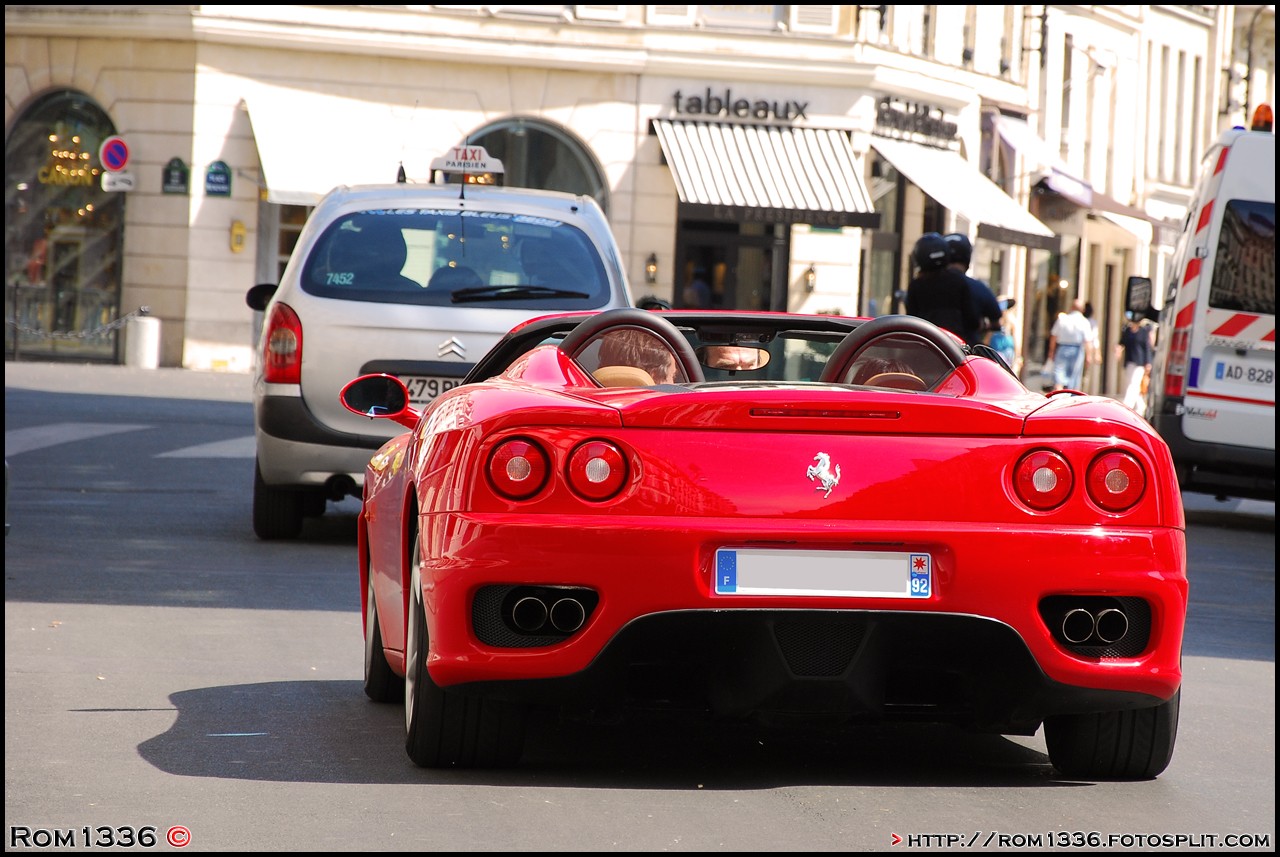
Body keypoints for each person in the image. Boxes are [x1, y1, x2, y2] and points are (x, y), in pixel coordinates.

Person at [905, 232, 979, 341]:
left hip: (925, 344)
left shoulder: (916, 285)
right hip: (955, 346)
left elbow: (911, 318)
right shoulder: (959, 281)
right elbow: (972, 320)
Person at [943, 233, 1003, 347]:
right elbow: (995, 318)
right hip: (964, 354)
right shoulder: (977, 287)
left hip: (928, 353)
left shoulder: (922, 285)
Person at [596, 327, 681, 384]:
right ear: (654, 377)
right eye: (673, 376)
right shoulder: (673, 409)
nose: (674, 383)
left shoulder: (585, 404)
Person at [1046, 298, 1095, 391]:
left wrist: (1051, 351)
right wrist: (1089, 356)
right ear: (1083, 310)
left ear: (1072, 307)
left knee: (1059, 377)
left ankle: (1058, 395)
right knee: (1074, 377)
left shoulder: (1063, 319)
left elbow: (1054, 336)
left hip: (1062, 348)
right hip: (1077, 350)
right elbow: (1088, 341)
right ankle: (1071, 398)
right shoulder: (1084, 322)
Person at [1116, 315, 1154, 415]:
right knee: (1132, 384)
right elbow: (1122, 343)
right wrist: (1118, 349)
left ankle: (1127, 406)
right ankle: (1140, 406)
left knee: (1133, 384)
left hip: (1139, 362)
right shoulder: (1127, 331)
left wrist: (1148, 362)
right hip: (1129, 361)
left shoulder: (1143, 332)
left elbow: (1147, 347)